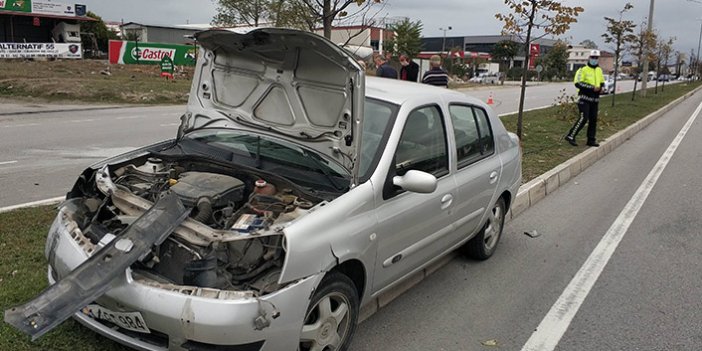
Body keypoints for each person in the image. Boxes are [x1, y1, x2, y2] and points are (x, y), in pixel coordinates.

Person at [565, 49, 605, 147]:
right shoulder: (583, 69)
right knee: (584, 118)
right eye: (593, 57)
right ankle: (571, 135)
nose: (594, 59)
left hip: (595, 100)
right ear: (589, 58)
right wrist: (592, 88)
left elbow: (601, 82)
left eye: (596, 58)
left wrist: (602, 88)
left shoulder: (599, 70)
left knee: (593, 120)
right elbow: (578, 83)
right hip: (584, 99)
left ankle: (591, 140)